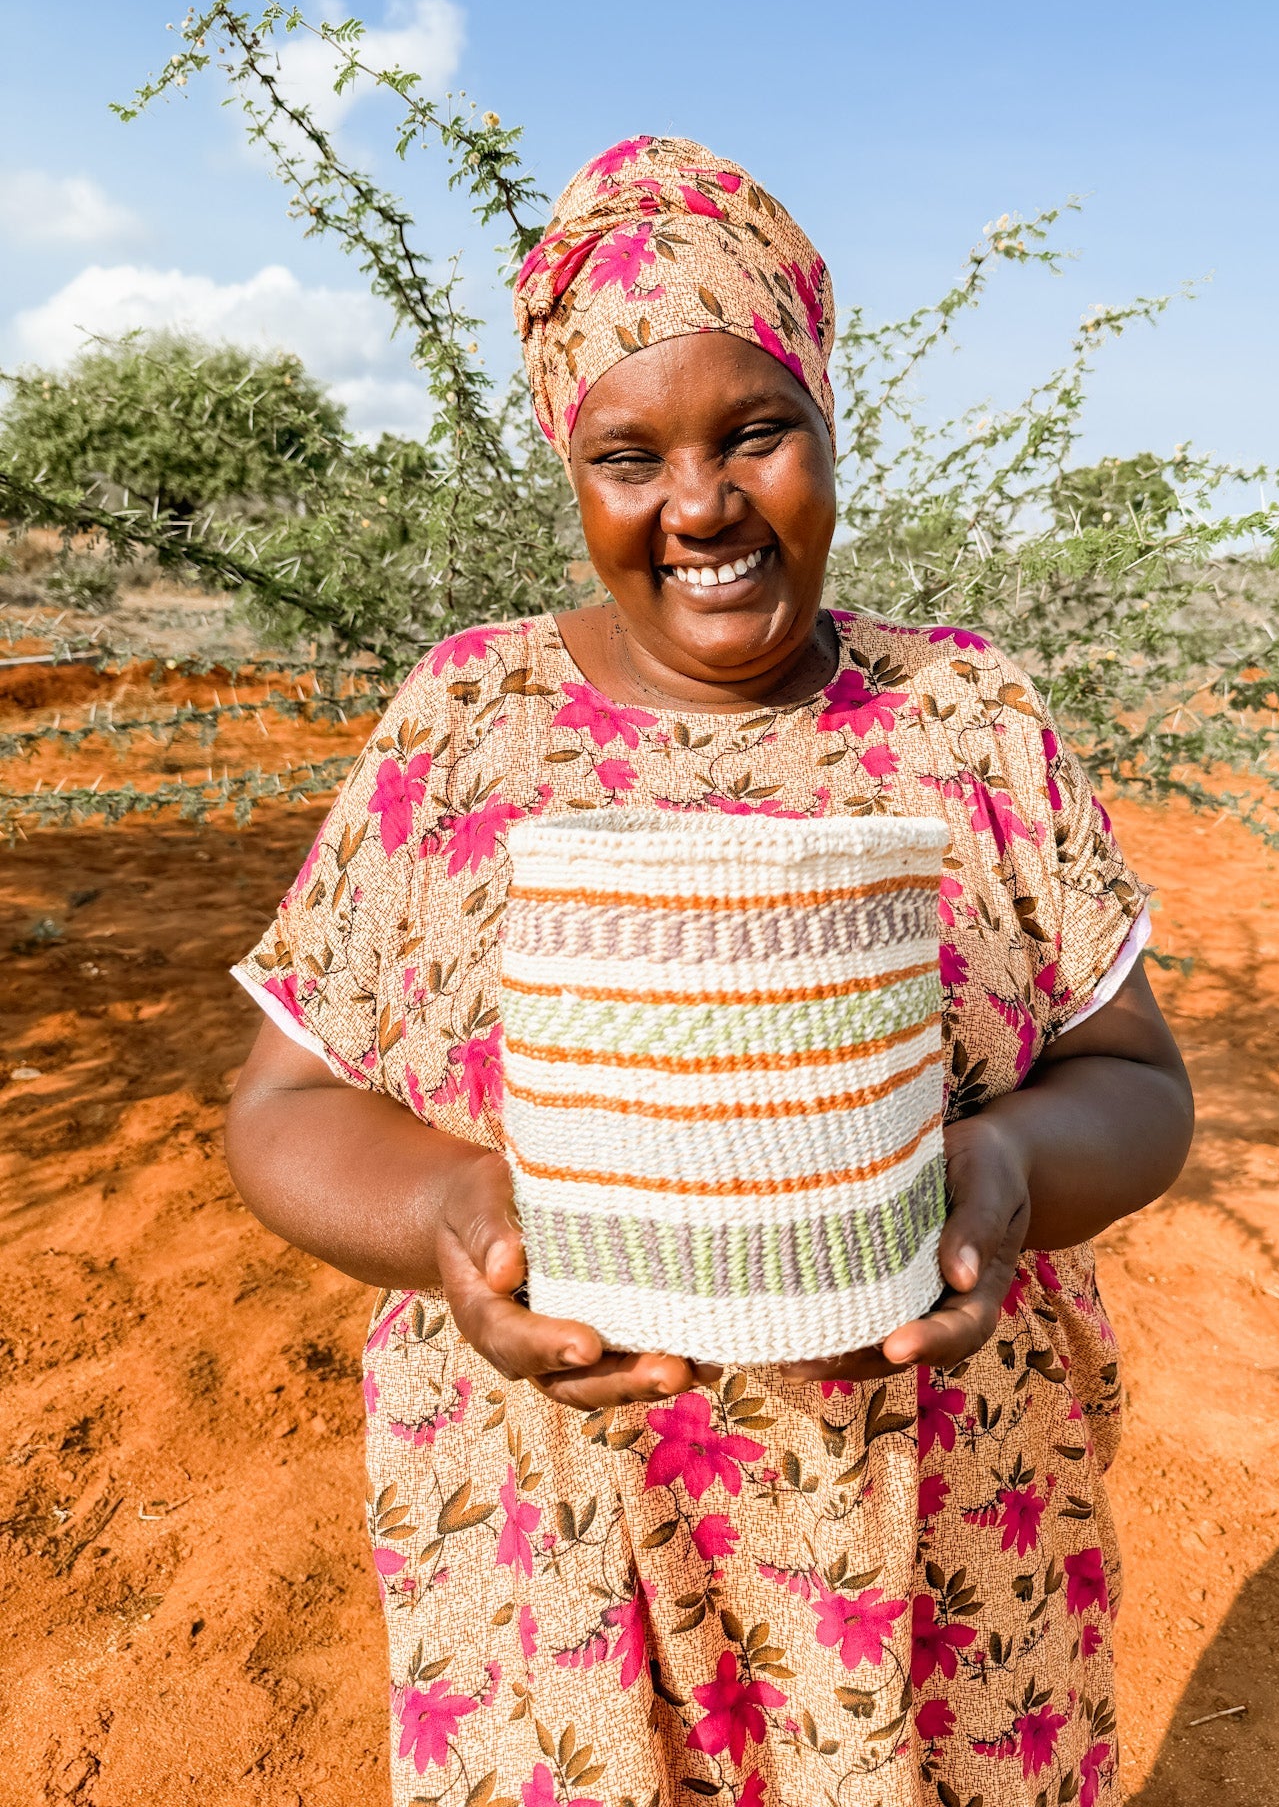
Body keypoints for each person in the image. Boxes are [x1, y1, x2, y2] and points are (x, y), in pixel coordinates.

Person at [226, 135, 1194, 1807]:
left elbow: (1140, 1082)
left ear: (828, 430)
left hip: (937, 1541)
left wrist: (1014, 1167)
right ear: (571, 468)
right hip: (563, 1539)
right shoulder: (463, 725)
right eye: (629, 455)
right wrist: (449, 1216)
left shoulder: (967, 722)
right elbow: (287, 1105)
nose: (701, 506)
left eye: (757, 432)